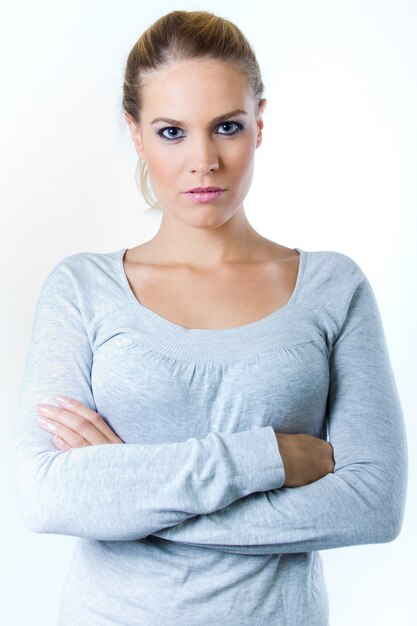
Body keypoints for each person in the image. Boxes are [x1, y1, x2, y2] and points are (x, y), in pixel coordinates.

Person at [12, 9, 408, 626]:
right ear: (136, 133)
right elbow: (46, 496)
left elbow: (371, 504)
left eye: (226, 126)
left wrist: (132, 499)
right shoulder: (82, 290)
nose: (204, 160)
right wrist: (264, 460)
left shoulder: (333, 288)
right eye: (172, 132)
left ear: (259, 125)